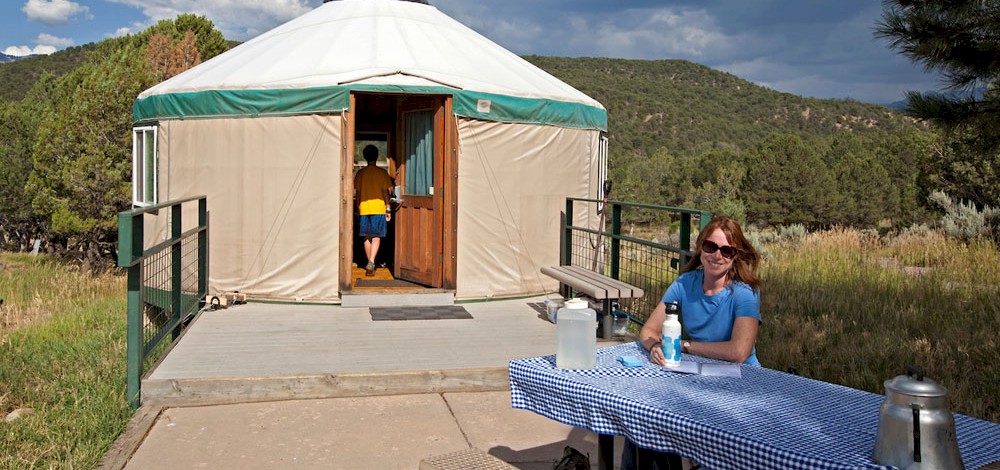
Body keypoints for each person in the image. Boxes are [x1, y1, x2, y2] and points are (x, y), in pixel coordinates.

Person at [622, 214, 762, 470]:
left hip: (741, 383)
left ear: (735, 256)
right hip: (697, 376)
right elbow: (649, 330)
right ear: (700, 248)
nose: (716, 255)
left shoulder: (745, 293)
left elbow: (739, 351)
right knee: (642, 420)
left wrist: (682, 346)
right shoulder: (685, 284)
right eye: (710, 247)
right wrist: (654, 346)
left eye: (726, 250)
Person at [354, 145, 395, 277]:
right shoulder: (382, 173)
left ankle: (369, 262)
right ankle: (372, 261)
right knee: (376, 236)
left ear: (365, 157)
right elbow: (385, 193)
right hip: (378, 207)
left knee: (366, 236)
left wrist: (357, 208)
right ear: (377, 157)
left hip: (364, 208)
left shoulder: (360, 174)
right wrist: (388, 208)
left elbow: (358, 193)